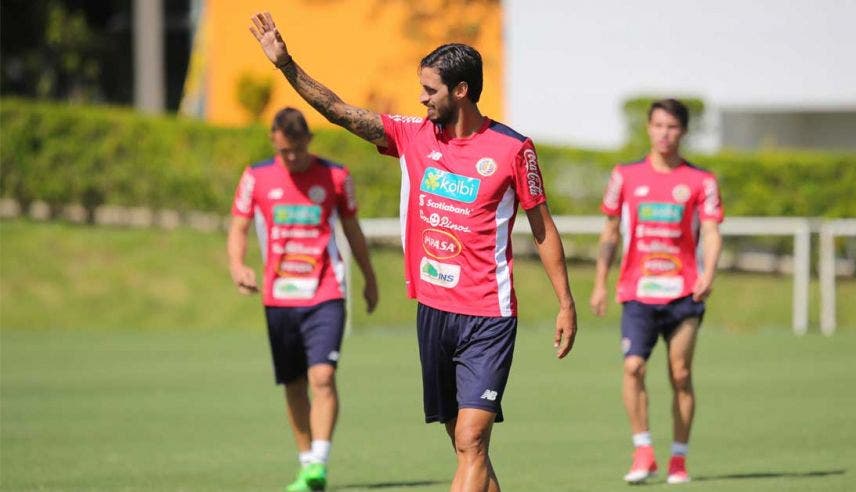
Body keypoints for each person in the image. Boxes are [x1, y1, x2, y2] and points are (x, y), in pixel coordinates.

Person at [249, 12, 577, 492]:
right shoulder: (413, 136)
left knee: (472, 439)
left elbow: (542, 226)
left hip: (488, 315)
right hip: (434, 313)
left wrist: (565, 302)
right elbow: (339, 111)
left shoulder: (513, 149)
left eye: (430, 89)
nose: (421, 98)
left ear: (461, 90)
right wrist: (286, 66)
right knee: (464, 444)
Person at [227, 107, 378, 492]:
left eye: (297, 150)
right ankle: (306, 462)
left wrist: (370, 277)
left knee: (323, 376)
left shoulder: (336, 177)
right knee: (294, 384)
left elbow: (353, 230)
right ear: (273, 142)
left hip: (326, 292)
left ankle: (320, 463)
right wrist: (237, 266)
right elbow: (239, 226)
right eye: (284, 151)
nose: (291, 158)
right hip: (279, 298)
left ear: (309, 141)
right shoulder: (256, 177)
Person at [590, 99, 723, 485]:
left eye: (672, 127)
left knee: (680, 374)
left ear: (683, 132)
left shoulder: (701, 181)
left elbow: (712, 232)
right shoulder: (625, 176)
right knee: (633, 366)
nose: (664, 133)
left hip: (685, 293)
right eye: (658, 125)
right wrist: (600, 283)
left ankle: (678, 458)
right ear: (648, 128)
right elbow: (610, 231)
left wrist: (708, 273)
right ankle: (643, 450)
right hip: (637, 292)